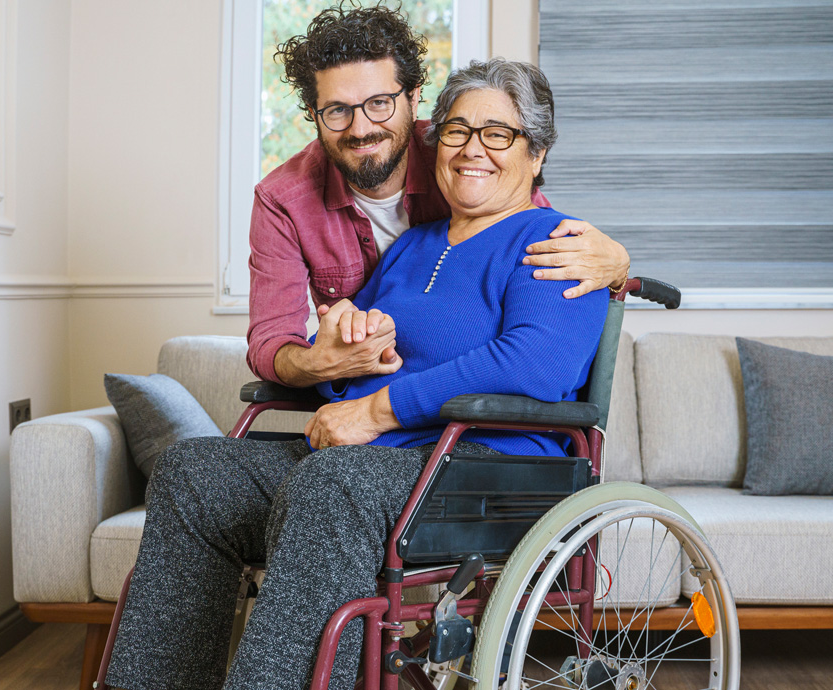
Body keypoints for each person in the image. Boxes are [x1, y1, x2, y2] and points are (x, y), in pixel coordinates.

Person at [104, 59, 608, 690]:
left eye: (498, 134)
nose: (472, 149)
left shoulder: (557, 243)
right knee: (194, 472)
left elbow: (537, 364)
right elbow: (341, 367)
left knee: (335, 483)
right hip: (378, 463)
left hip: (489, 468)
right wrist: (342, 349)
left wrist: (376, 410)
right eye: (456, 131)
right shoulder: (414, 246)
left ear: (535, 154)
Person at [247, 2, 629, 389]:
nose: (361, 128)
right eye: (337, 110)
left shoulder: (461, 159)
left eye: (380, 103)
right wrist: (319, 363)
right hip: (366, 420)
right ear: (313, 113)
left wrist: (617, 262)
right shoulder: (284, 200)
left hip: (443, 432)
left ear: (413, 98)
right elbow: (272, 341)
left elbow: (524, 226)